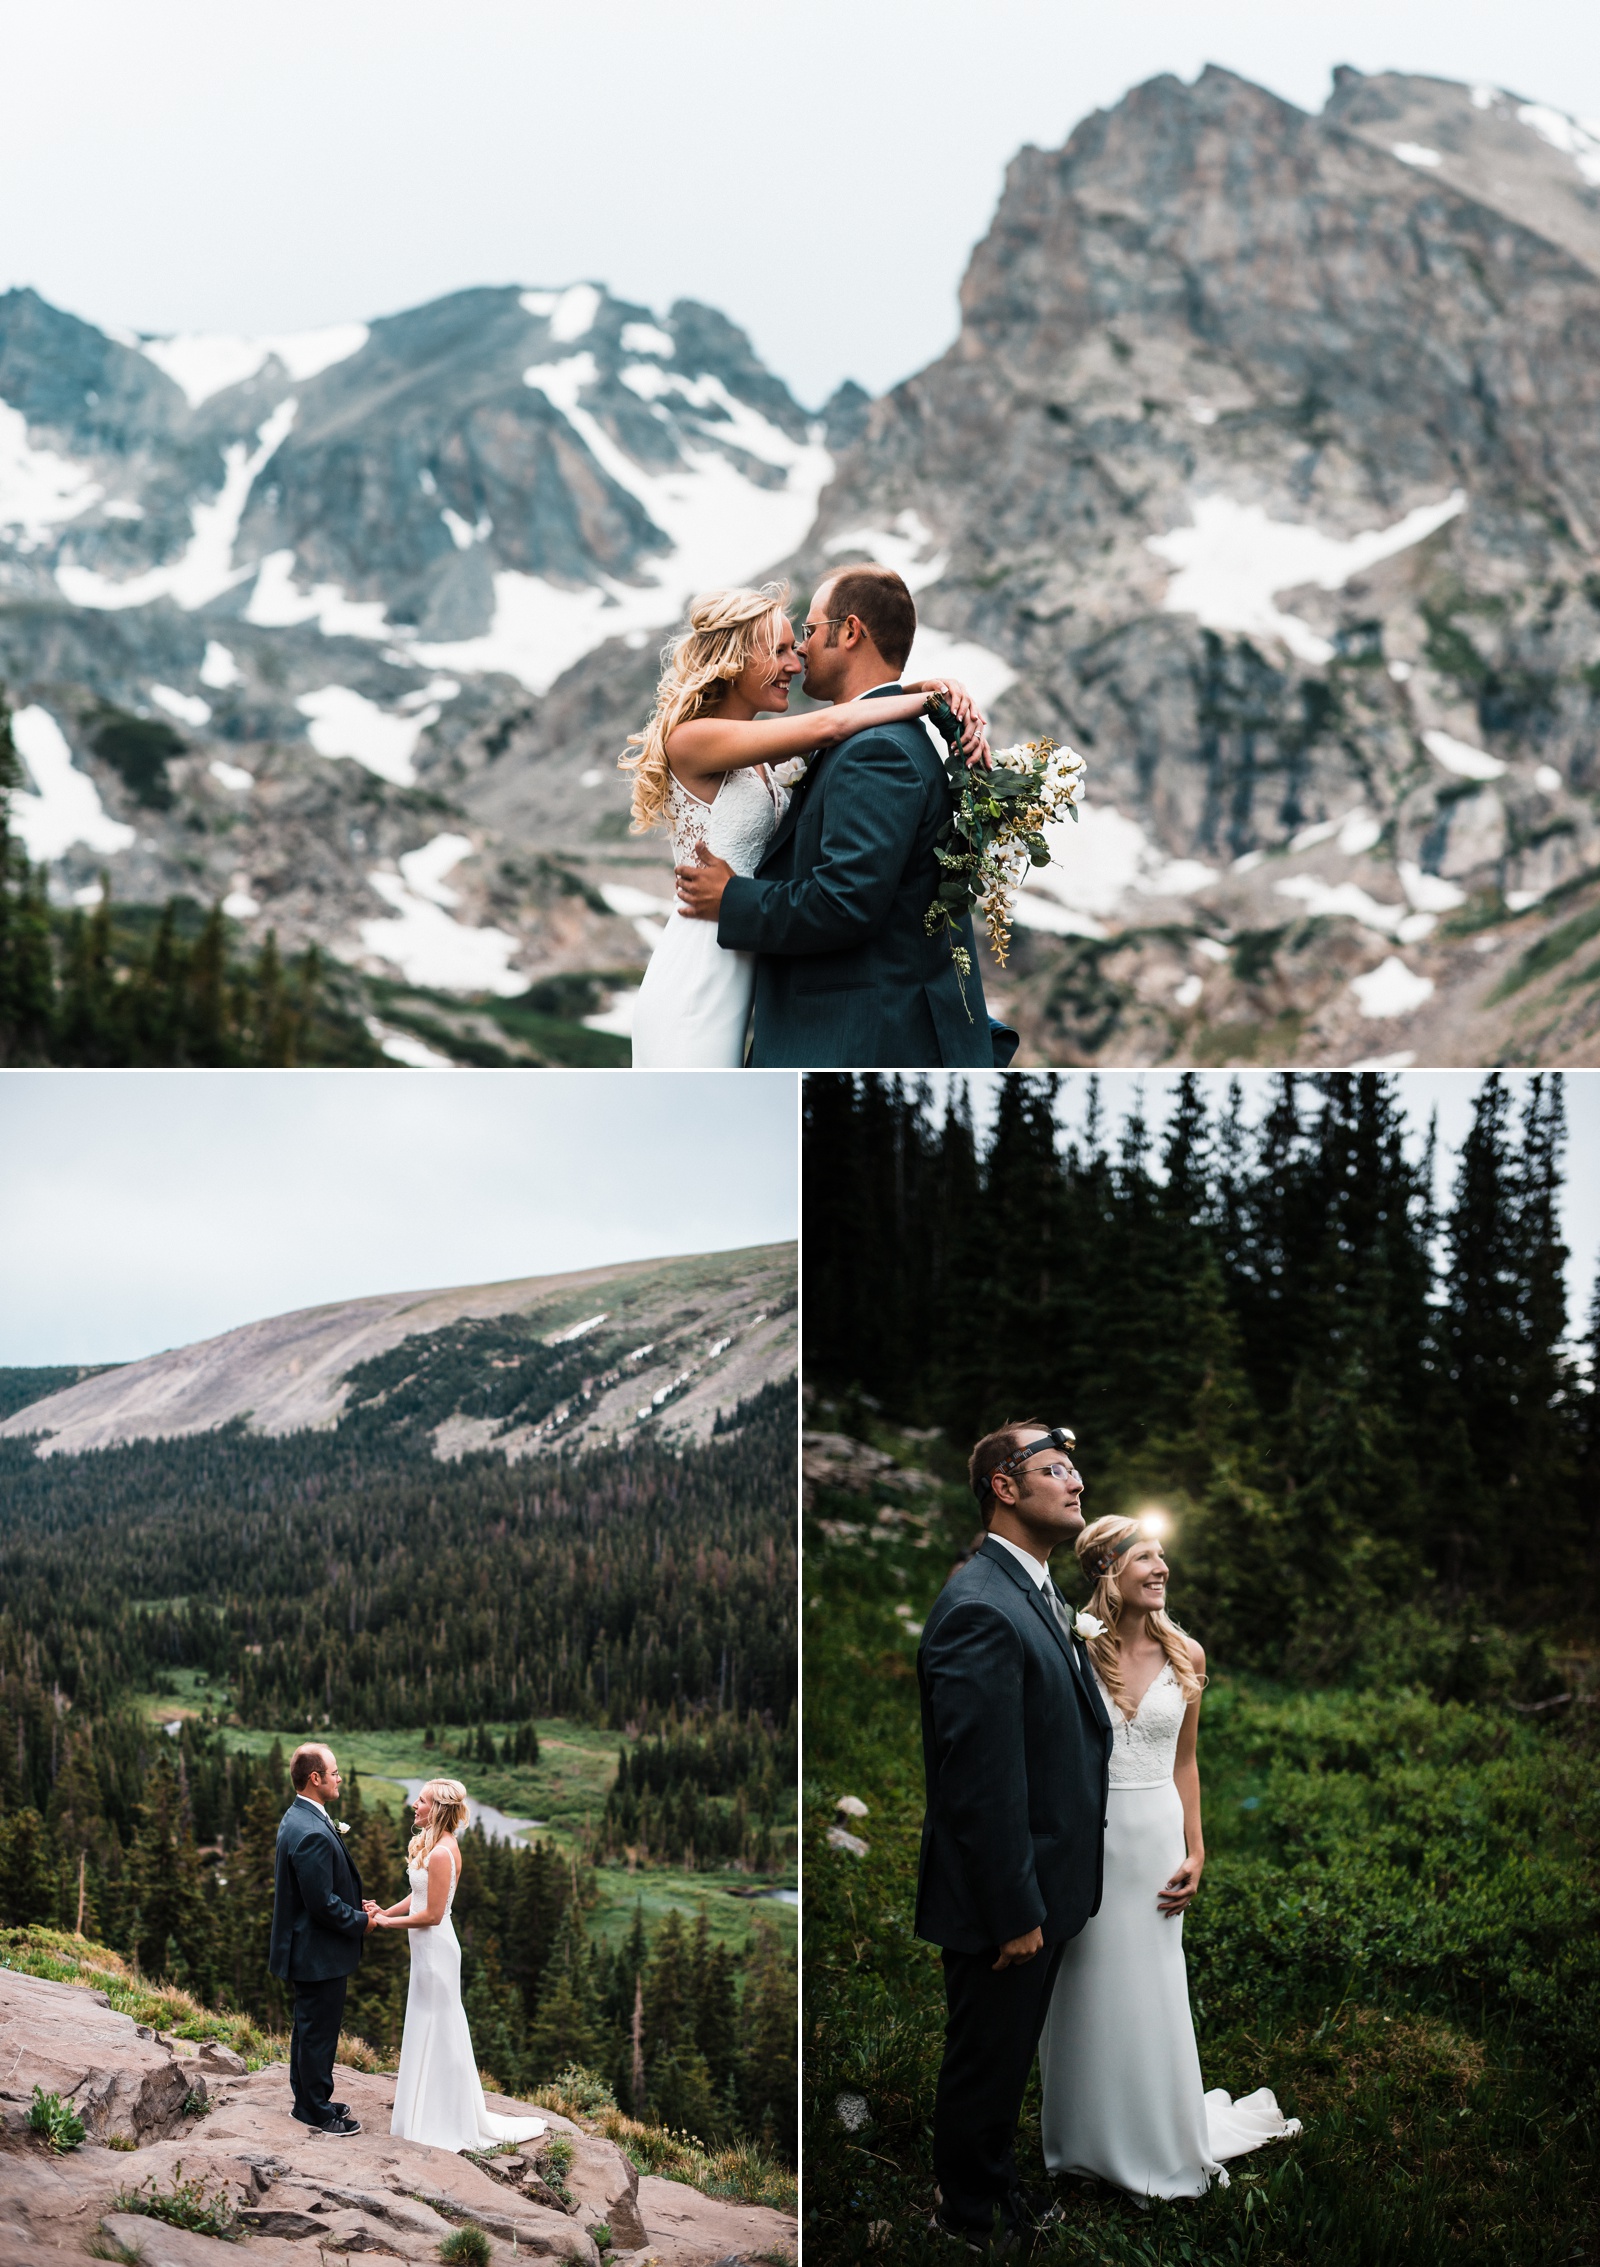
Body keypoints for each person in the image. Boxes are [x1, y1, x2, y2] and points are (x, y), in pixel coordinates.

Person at [1038, 1515, 1301, 2196]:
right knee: (1085, 1983)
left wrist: (1198, 1846)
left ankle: (1159, 2137)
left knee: (1152, 1987)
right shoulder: (1074, 1647)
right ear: (1107, 1570)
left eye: (1163, 1557)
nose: (1161, 1569)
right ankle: (1082, 2141)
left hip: (1156, 1835)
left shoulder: (1189, 1651)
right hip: (1092, 1837)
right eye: (1145, 1557)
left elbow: (1186, 1762)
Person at [622, 582, 990, 1068]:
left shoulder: (760, 749)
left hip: (743, 959)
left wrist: (911, 689)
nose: (795, 662)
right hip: (700, 965)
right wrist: (931, 699)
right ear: (735, 661)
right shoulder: (693, 739)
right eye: (778, 651)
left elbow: (840, 726)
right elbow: (831, 726)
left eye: (799, 642)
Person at [914, 1422, 1111, 2250]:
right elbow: (980, 1786)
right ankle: (970, 2217)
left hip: (1041, 1880)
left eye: (1076, 1469)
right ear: (1004, 1484)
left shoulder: (1030, 1586)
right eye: (1055, 1468)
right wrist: (1015, 1910)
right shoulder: (979, 1606)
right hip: (1005, 1898)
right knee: (986, 2060)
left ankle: (996, 2184)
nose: (1076, 1483)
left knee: (1007, 2051)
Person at [378, 1778, 547, 2153]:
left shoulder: (442, 1852)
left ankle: (443, 2117)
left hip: (436, 1952)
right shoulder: (434, 1846)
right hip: (426, 1952)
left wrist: (388, 1925)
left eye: (420, 1801)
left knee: (440, 2026)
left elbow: (434, 1914)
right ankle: (425, 2111)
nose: (414, 1806)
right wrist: (384, 1911)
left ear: (436, 1809)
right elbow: (418, 1894)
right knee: (427, 2023)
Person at [268, 1743, 378, 2134]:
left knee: (309, 2027)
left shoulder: (298, 1816)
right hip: (318, 1952)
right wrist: (361, 1920)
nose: (339, 1778)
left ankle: (309, 2098)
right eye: (334, 1772)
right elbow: (322, 1904)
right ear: (315, 1778)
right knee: (318, 2032)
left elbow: (316, 1889)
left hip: (306, 1947)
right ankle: (314, 2110)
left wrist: (352, 1902)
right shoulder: (311, 1829)